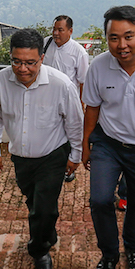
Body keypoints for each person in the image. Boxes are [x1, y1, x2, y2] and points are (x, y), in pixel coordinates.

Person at [0, 29, 83, 269]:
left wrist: (75, 155)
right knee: (34, 201)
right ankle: (47, 233)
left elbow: (74, 123)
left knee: (43, 207)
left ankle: (39, 248)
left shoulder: (61, 85)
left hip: (53, 155)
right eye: (16, 61)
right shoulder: (0, 80)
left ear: (42, 58)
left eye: (30, 62)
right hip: (20, 157)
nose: (22, 68)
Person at [82, 5, 135, 269]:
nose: (121, 45)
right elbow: (91, 108)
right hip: (108, 142)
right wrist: (85, 145)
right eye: (113, 38)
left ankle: (132, 247)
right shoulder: (99, 66)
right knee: (100, 199)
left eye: (128, 36)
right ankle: (109, 255)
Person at [43, 14, 89, 182]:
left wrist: (81, 107)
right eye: (54, 29)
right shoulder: (46, 43)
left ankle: (67, 167)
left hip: (68, 101)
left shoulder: (78, 52)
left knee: (67, 135)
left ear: (70, 31)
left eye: (60, 30)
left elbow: (83, 82)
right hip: (46, 99)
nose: (56, 33)